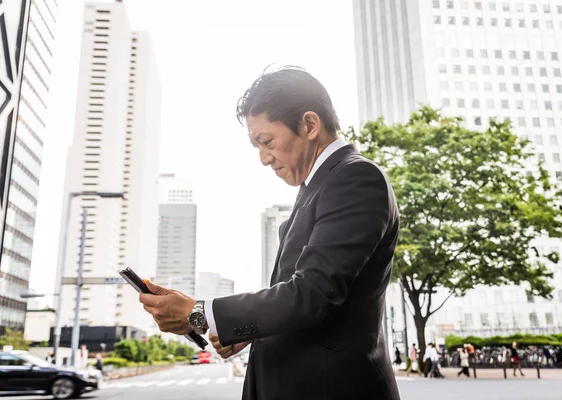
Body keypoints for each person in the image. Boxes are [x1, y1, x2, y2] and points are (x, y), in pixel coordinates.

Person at [138, 67, 401, 400]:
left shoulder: (355, 179)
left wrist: (199, 313)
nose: (263, 159)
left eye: (266, 141)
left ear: (309, 125)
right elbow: (298, 298)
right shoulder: (318, 187)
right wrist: (247, 330)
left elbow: (312, 294)